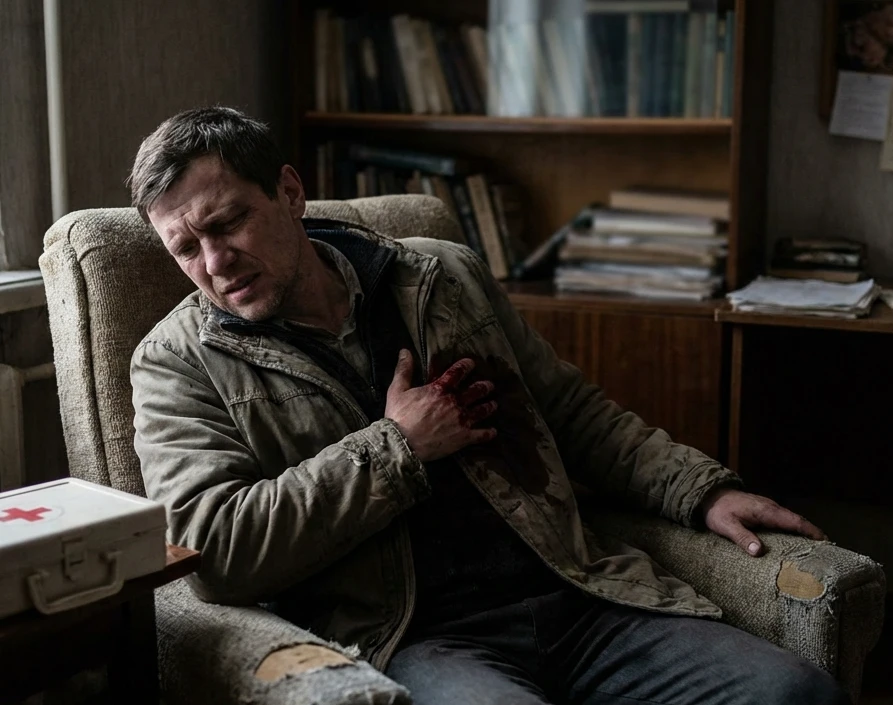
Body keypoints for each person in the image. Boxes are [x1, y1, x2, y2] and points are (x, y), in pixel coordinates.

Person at [128, 107, 849, 705]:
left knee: (796, 692)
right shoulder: (175, 363)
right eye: (185, 247)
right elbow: (211, 551)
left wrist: (701, 491)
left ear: (289, 192)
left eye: (228, 223)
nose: (214, 262)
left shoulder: (441, 276)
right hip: (417, 639)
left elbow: (571, 412)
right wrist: (397, 447)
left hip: (575, 594)